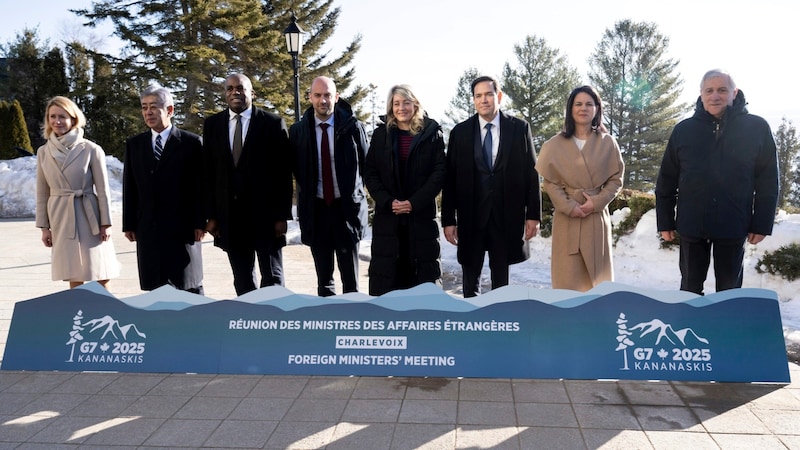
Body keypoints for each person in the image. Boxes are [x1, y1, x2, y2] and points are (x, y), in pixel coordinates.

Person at [655, 69, 779, 295]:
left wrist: (761, 224)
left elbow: (768, 181)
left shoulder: (756, 128)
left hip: (733, 223)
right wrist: (665, 221)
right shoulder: (684, 130)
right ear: (701, 94)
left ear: (734, 93)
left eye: (722, 90)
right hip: (692, 224)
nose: (715, 96)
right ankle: (690, 326)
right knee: (689, 289)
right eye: (709, 90)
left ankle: (727, 330)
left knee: (730, 292)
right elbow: (667, 179)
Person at [441, 76, 542, 297]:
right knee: (470, 277)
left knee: (501, 280)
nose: (483, 100)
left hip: (505, 215)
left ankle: (499, 320)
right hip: (471, 216)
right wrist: (449, 219)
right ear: (474, 100)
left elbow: (531, 174)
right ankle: (471, 320)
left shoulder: (519, 129)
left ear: (499, 96)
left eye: (488, 94)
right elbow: (450, 180)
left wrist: (533, 215)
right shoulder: (460, 133)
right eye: (478, 96)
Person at [203, 73, 293, 296]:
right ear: (225, 94)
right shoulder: (213, 125)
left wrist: (282, 216)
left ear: (252, 93)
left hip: (266, 219)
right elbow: (209, 174)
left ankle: (274, 322)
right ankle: (249, 324)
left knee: (272, 279)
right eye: (230, 89)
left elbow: (283, 173)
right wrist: (211, 215)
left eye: (241, 88)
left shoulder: (272, 124)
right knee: (242, 281)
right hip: (230, 220)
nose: (235, 92)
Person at [536, 85, 624, 291]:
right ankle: (567, 320)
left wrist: (598, 201)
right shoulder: (554, 144)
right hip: (567, 218)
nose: (583, 108)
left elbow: (616, 179)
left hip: (595, 217)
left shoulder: (608, 142)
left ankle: (599, 319)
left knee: (598, 281)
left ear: (596, 109)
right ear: (570, 108)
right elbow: (550, 182)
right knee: (567, 280)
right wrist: (568, 206)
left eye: (589, 104)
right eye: (578, 104)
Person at [289, 76, 368, 297]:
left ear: (336, 97)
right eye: (318, 95)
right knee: (324, 281)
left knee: (351, 282)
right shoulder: (298, 131)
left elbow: (367, 166)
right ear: (310, 97)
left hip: (347, 211)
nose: (323, 100)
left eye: (327, 95)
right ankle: (327, 325)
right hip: (317, 212)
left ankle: (352, 325)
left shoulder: (354, 128)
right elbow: (295, 169)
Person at [364, 85, 446, 296]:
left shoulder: (432, 134)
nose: (402, 108)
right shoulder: (381, 135)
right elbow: (370, 172)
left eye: (406, 102)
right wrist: (388, 201)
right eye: (397, 103)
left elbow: (438, 173)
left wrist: (413, 203)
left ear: (415, 104)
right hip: (388, 220)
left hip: (421, 220)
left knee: (422, 289)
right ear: (391, 107)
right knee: (387, 286)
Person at [123, 85, 206, 294]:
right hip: (148, 227)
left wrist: (200, 222)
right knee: (155, 286)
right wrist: (129, 223)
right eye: (144, 107)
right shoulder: (135, 144)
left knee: (188, 283)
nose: (148, 112)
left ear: (169, 110)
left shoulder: (191, 143)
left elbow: (200, 187)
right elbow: (130, 186)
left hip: (183, 226)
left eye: (153, 107)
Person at [35, 96, 120, 289]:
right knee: (73, 271)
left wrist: (106, 223)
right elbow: (42, 192)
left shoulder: (91, 149)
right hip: (61, 216)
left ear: (73, 119)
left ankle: (107, 311)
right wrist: (44, 227)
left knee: (101, 270)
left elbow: (103, 190)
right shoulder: (43, 152)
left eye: (62, 116)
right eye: (52, 116)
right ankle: (79, 315)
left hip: (90, 215)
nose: (57, 121)